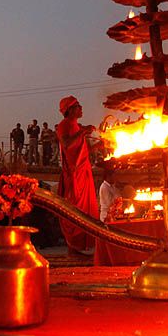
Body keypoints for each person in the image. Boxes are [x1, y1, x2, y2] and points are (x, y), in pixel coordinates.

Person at [56, 96, 98, 255]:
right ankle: (74, 247)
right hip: (73, 175)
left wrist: (99, 145)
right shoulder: (63, 126)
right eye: (78, 106)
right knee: (76, 209)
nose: (81, 108)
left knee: (88, 209)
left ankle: (83, 247)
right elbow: (67, 144)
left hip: (83, 172)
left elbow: (83, 151)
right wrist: (82, 132)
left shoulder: (77, 126)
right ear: (70, 110)